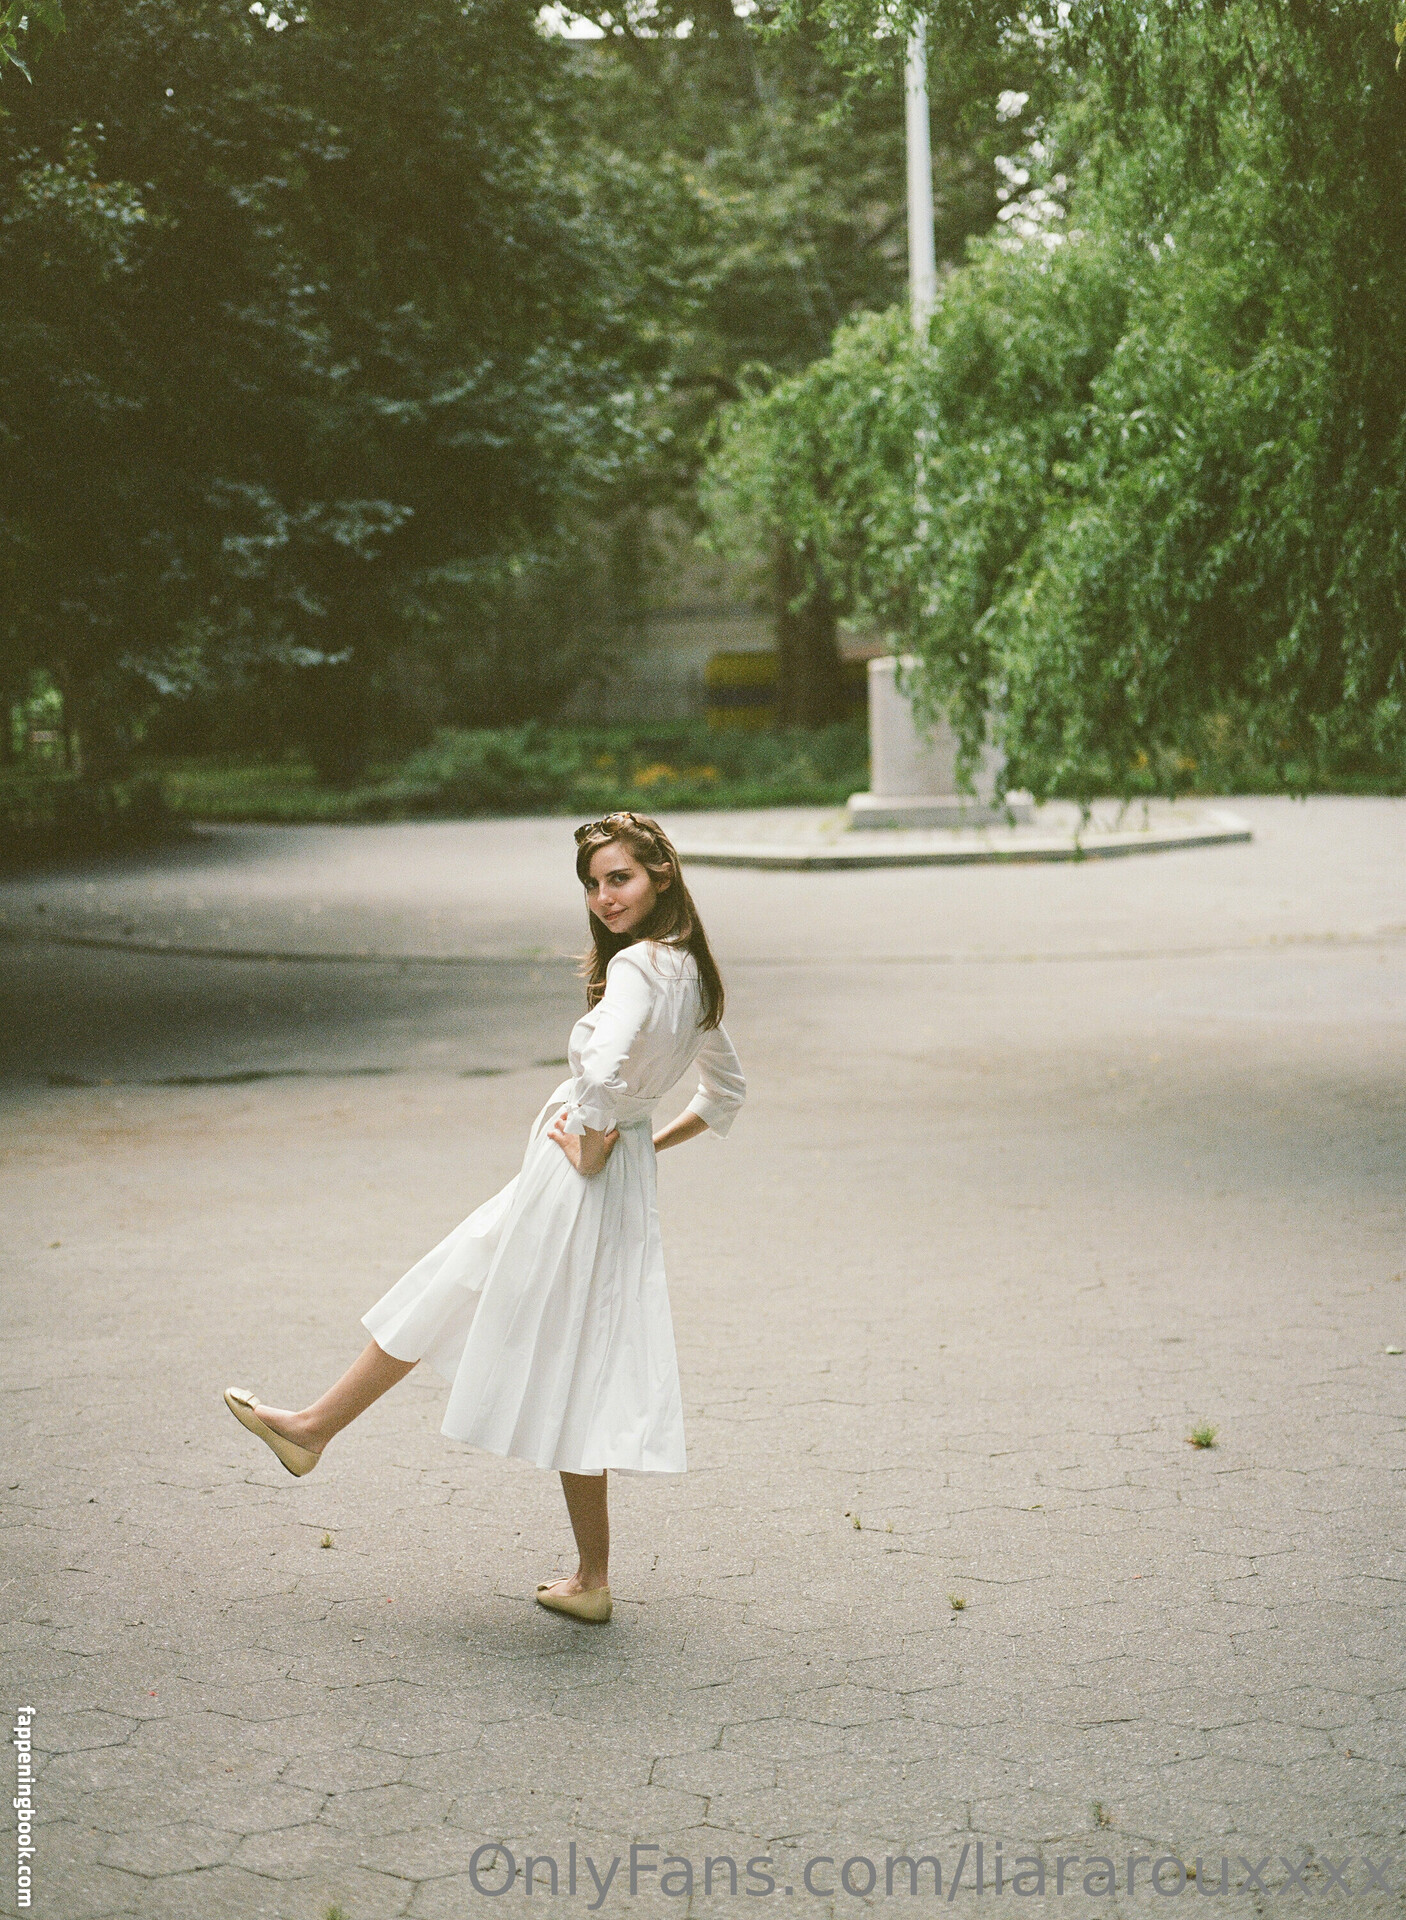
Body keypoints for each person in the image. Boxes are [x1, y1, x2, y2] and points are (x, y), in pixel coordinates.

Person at [224, 811, 745, 1623]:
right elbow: (725, 1095)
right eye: (593, 884)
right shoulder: (695, 976)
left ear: (661, 875)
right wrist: (638, 1142)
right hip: (611, 1179)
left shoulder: (639, 966)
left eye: (620, 878)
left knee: (497, 1307)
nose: (605, 897)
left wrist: (597, 1140)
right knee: (498, 1304)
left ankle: (319, 1433)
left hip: (578, 1177)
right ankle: (317, 1429)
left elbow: (606, 1067)